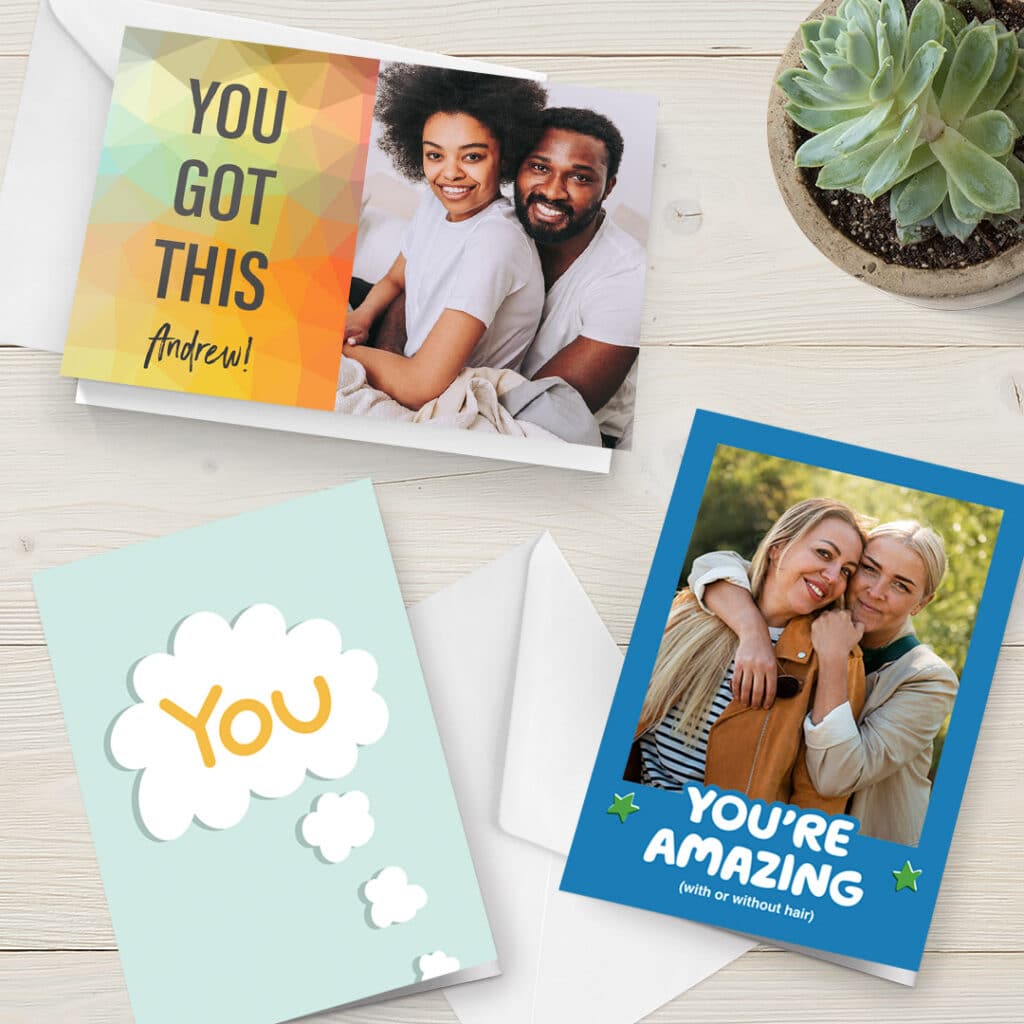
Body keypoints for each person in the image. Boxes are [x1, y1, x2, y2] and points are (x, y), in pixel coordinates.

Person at [688, 520, 958, 846]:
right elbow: (715, 565)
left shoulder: (928, 679)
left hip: (864, 852)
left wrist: (833, 659)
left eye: (900, 585)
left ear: (921, 603)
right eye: (869, 569)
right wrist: (752, 631)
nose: (876, 592)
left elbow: (835, 776)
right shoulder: (813, 608)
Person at [627, 499, 867, 814]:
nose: (833, 576)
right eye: (824, 553)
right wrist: (754, 634)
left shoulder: (834, 658)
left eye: (846, 571)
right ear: (778, 547)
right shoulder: (695, 609)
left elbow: (818, 797)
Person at [344, 65, 547, 409]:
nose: (450, 172)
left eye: (472, 156)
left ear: (505, 156)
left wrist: (341, 349)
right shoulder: (435, 202)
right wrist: (361, 317)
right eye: (435, 155)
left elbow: (421, 385)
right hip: (402, 357)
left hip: (431, 389)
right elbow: (396, 277)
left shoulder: (497, 240)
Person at [512, 108, 644, 447]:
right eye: (540, 168)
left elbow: (547, 412)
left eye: (580, 177)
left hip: (573, 433)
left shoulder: (629, 279)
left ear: (608, 187)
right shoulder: (498, 223)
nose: (554, 192)